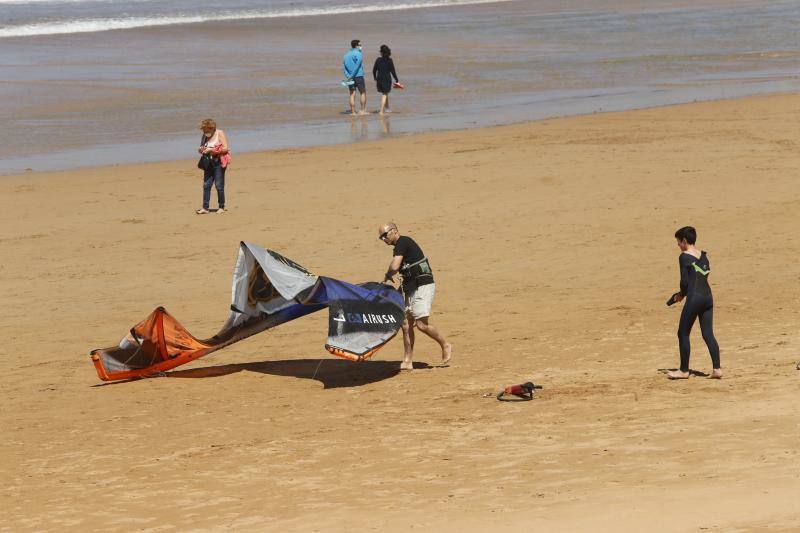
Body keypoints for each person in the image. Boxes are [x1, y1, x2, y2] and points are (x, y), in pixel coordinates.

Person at [379, 222, 452, 370]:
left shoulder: (402, 241)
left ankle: (445, 344)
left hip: (423, 285)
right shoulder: (400, 246)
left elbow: (395, 266)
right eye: (380, 237)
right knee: (405, 325)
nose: (383, 239)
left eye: (384, 235)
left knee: (421, 324)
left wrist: (387, 275)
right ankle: (407, 361)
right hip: (410, 287)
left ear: (394, 231)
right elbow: (407, 273)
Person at [667, 226, 722, 379]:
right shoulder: (703, 256)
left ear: (684, 241)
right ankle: (717, 369)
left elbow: (685, 282)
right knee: (708, 334)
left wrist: (680, 295)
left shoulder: (684, 257)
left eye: (678, 242)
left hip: (695, 298)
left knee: (683, 333)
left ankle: (684, 370)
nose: (678, 245)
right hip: (708, 297)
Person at [196, 118, 229, 214]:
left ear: (212, 128)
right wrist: (201, 149)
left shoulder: (220, 133)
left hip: (218, 162)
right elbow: (202, 147)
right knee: (206, 185)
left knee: (219, 185)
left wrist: (211, 150)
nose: (204, 132)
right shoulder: (204, 136)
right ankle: (205, 208)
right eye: (203, 130)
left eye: (206, 130)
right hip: (208, 163)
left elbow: (226, 148)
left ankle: (221, 207)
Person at [372, 44, 399, 115]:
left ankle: (387, 108)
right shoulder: (390, 60)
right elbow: (393, 71)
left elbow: (374, 70)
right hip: (387, 79)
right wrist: (396, 79)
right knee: (384, 94)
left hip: (379, 79)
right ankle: (381, 111)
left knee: (385, 93)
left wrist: (375, 78)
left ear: (382, 52)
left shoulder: (378, 60)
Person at [343, 39, 367, 115]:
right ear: (356, 46)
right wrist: (352, 75)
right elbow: (357, 66)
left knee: (352, 94)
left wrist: (348, 76)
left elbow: (344, 68)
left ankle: (353, 112)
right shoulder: (358, 53)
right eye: (360, 45)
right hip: (358, 76)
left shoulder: (346, 55)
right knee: (363, 93)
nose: (361, 46)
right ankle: (362, 110)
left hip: (349, 77)